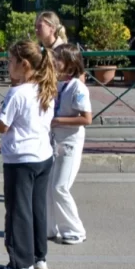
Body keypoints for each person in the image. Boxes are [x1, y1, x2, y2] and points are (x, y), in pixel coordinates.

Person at [0, 40, 57, 269]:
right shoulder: (46, 88)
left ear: (24, 64)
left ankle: (20, 263)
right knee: (37, 208)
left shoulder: (16, 93)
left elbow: (3, 126)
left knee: (18, 211)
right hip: (43, 155)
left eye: (10, 61)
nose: (8, 65)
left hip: (20, 158)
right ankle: (39, 258)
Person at [48, 44, 92, 244]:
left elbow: (86, 118)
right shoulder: (56, 84)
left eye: (58, 58)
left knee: (60, 186)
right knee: (48, 187)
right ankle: (49, 228)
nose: (54, 61)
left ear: (70, 64)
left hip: (70, 142)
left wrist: (58, 121)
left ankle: (75, 230)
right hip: (54, 140)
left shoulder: (77, 87)